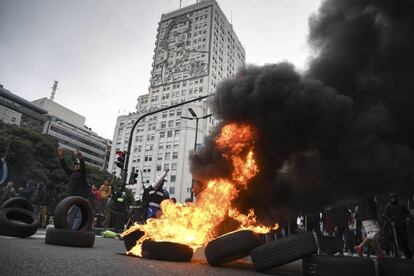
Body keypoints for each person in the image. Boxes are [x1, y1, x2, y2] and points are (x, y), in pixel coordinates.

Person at [57, 148, 89, 230]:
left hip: (79, 196)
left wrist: (80, 158)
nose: (76, 166)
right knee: (70, 213)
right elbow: (64, 167)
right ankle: (69, 229)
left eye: (78, 165)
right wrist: (61, 157)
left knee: (78, 214)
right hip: (71, 196)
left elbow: (84, 168)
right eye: (75, 165)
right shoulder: (71, 173)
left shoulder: (82, 175)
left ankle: (74, 230)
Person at [384, 193, 412, 259]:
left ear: (396, 198)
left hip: (402, 225)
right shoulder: (388, 206)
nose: (393, 199)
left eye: (394, 197)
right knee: (394, 241)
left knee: (404, 241)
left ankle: (408, 255)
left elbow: (407, 213)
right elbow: (386, 216)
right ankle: (397, 253)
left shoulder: (401, 205)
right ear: (390, 199)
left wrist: (407, 218)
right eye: (391, 198)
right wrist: (391, 222)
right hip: (394, 227)